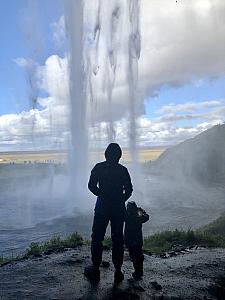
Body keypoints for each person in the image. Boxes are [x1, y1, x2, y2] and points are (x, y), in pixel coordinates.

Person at [84, 143, 133, 283]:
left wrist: (101, 195)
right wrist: (120, 199)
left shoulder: (98, 168)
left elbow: (91, 186)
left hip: (102, 207)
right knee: (118, 239)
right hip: (118, 209)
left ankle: (95, 269)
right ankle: (118, 271)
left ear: (106, 154)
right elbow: (129, 190)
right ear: (119, 156)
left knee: (97, 237)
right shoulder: (123, 170)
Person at [124, 201, 149, 280]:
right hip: (137, 240)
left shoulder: (127, 216)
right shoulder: (138, 218)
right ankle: (139, 272)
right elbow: (146, 216)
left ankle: (137, 272)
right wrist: (142, 211)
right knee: (138, 256)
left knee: (133, 256)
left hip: (129, 241)